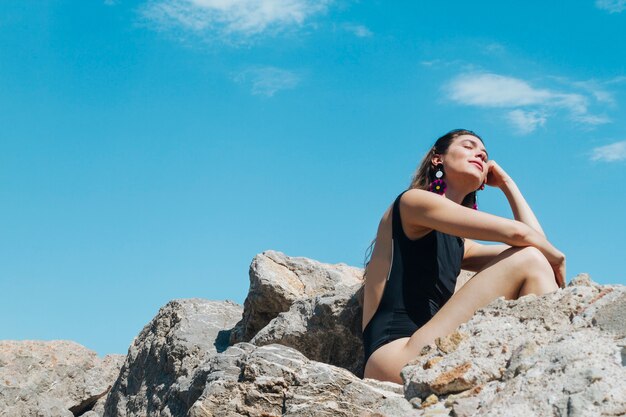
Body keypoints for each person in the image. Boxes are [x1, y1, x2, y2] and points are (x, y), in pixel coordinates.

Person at [361, 128, 565, 384]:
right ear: (438, 158)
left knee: (532, 258)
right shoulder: (413, 203)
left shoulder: (461, 245)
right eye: (469, 146)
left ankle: (542, 375)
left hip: (430, 350)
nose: (480, 154)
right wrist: (559, 257)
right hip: (394, 357)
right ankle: (550, 374)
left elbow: (536, 247)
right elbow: (521, 237)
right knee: (530, 259)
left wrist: (507, 185)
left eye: (484, 154)